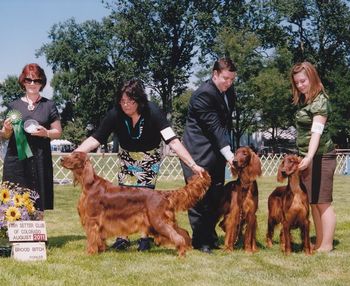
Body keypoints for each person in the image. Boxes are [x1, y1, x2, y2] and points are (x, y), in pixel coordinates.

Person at [75, 79, 204, 251]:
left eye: (131, 101)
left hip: (149, 160)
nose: (126, 105)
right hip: (127, 159)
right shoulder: (115, 114)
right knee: (124, 200)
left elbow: (173, 141)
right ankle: (122, 238)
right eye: (122, 101)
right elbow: (96, 138)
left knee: (146, 199)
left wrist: (193, 165)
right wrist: (75, 153)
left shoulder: (153, 112)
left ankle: (145, 237)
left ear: (140, 101)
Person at [181, 58, 237, 253]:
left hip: (216, 154)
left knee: (215, 196)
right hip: (197, 153)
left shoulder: (229, 91)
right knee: (198, 199)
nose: (229, 83)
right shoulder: (203, 95)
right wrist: (230, 155)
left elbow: (225, 126)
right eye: (225, 79)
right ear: (214, 75)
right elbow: (214, 128)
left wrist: (228, 154)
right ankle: (200, 240)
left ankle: (210, 236)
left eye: (232, 79)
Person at [0, 63, 62, 212]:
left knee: (38, 199)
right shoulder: (14, 105)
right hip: (17, 160)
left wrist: (46, 133)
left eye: (37, 80)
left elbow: (58, 131)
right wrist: (6, 130)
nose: (32, 84)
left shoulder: (49, 105)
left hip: (40, 158)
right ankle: (17, 233)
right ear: (23, 81)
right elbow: (5, 135)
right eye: (29, 80)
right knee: (14, 199)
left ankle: (37, 232)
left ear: (42, 83)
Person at [290, 61, 336, 253]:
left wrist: (308, 157)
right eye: (297, 83)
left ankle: (327, 245)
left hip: (321, 157)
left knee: (323, 202)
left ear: (312, 78)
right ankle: (319, 242)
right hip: (307, 158)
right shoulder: (305, 101)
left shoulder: (320, 101)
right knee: (314, 202)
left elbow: (316, 132)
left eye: (303, 81)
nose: (300, 85)